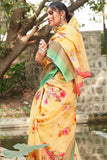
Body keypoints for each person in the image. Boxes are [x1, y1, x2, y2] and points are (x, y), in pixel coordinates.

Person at [26, 1, 91, 160]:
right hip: (50, 88)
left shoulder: (70, 33)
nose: (48, 17)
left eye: (51, 13)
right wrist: (39, 59)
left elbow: (71, 66)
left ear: (62, 13)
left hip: (64, 91)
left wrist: (51, 50)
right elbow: (48, 66)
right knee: (41, 123)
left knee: (59, 132)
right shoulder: (56, 36)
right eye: (47, 13)